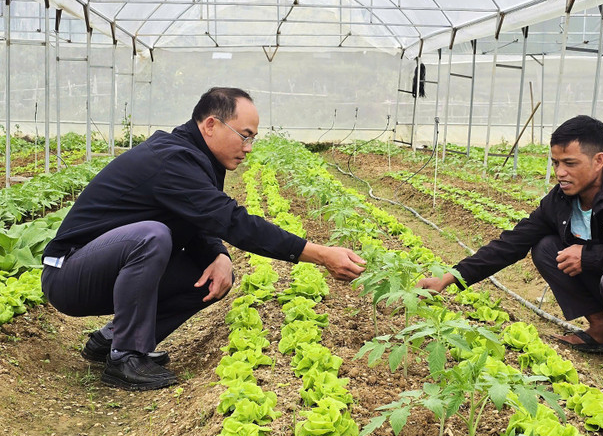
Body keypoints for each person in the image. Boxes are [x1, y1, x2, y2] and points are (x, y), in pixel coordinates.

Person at [41, 87, 366, 391]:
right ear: (211, 124)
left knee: (210, 272)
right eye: (245, 136)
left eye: (253, 138)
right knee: (151, 236)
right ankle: (124, 358)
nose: (249, 148)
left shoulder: (197, 158)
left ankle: (111, 339)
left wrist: (219, 255)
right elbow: (231, 220)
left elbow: (199, 220)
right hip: (68, 273)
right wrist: (320, 254)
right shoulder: (172, 160)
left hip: (101, 269)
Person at [418, 115, 603, 376]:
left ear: (599, 160)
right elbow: (513, 243)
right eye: (555, 163)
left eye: (570, 163)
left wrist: (590, 255)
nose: (560, 172)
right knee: (545, 248)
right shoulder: (561, 200)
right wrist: (450, 277)